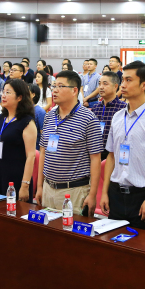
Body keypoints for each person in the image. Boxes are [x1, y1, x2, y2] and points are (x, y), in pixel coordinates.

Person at [100, 61, 145, 230]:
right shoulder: (118, 117)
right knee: (114, 243)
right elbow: (111, 156)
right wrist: (104, 192)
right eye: (123, 80)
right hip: (116, 193)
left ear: (144, 85)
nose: (123, 85)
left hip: (142, 194)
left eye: (128, 80)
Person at [35, 70, 102, 214]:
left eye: (60, 86)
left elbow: (95, 159)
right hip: (48, 188)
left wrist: (92, 195)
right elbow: (43, 152)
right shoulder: (50, 116)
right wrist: (39, 186)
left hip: (74, 191)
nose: (55, 90)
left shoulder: (88, 119)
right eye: (54, 86)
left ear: (74, 91)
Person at [0, 79, 37, 202]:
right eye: (3, 92)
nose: (3, 95)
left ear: (19, 97)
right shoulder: (1, 118)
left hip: (16, 177)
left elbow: (31, 156)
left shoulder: (27, 121)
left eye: (8, 92)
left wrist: (25, 185)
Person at [91, 71, 127, 160]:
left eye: (105, 84)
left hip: (114, 153)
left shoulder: (123, 108)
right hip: (95, 152)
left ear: (115, 86)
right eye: (99, 84)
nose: (101, 87)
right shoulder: (96, 107)